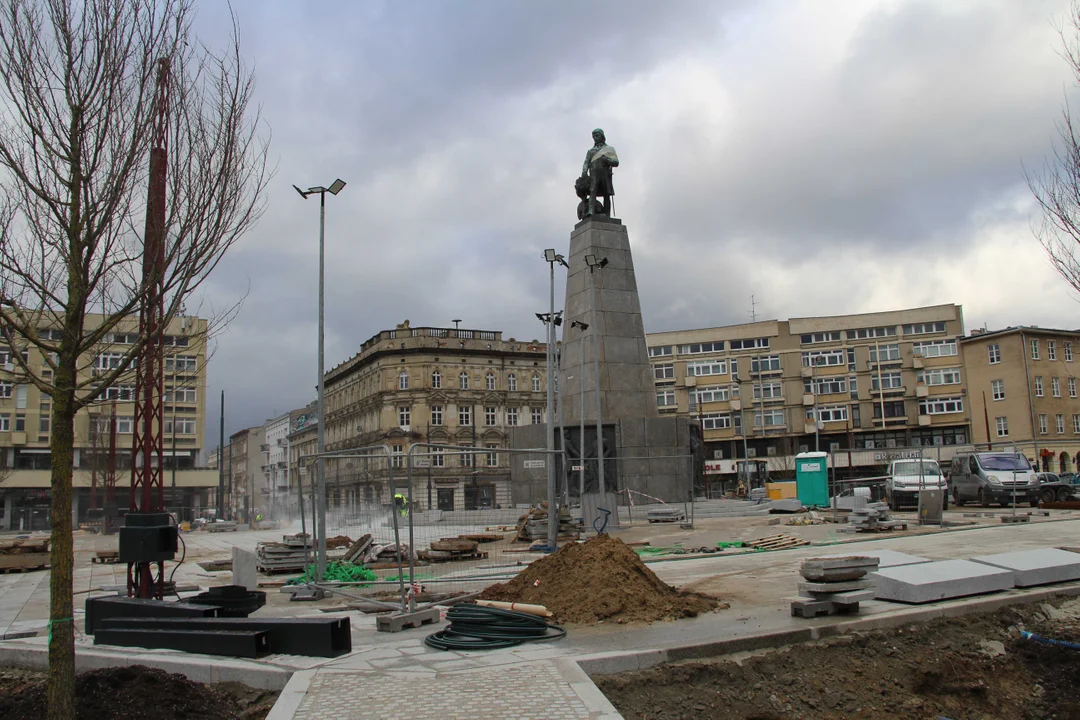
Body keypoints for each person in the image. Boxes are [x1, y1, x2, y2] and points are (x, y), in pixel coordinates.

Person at [581, 128, 619, 216]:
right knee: (592, 192)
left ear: (602, 136)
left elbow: (616, 162)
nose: (595, 138)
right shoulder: (591, 151)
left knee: (606, 194)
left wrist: (607, 160)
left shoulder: (609, 149)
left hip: (605, 175)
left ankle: (607, 214)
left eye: (597, 135)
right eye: (593, 136)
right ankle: (591, 211)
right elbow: (586, 163)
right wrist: (584, 172)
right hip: (594, 175)